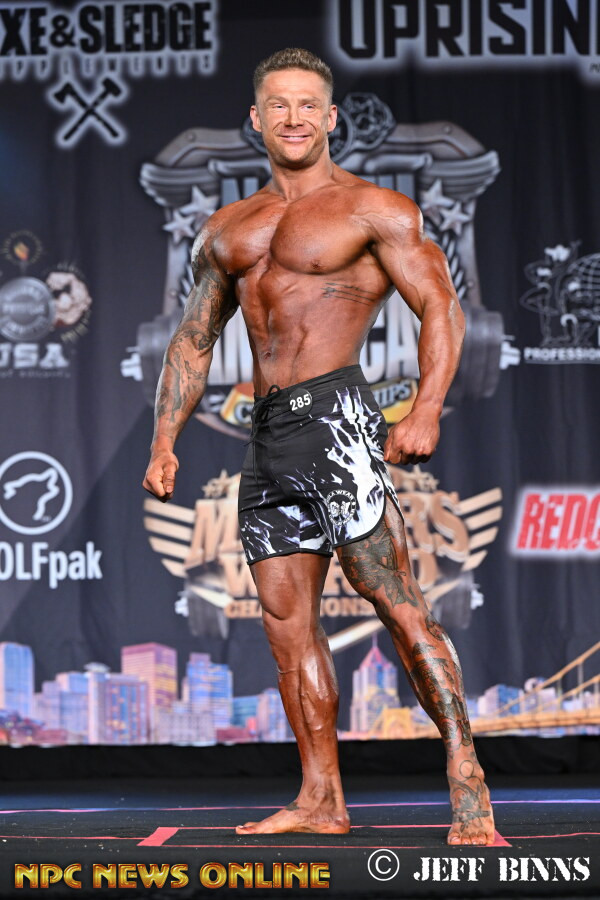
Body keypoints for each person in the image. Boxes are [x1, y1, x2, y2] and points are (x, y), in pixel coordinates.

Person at [143, 47, 495, 845]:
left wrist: (427, 408)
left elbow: (441, 306)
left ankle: (467, 778)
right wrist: (164, 440)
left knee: (396, 604)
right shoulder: (228, 228)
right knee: (286, 626)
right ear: (256, 119)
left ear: (331, 117)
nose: (294, 118)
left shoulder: (374, 209)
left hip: (338, 424)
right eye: (279, 105)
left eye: (308, 104)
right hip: (268, 439)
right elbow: (194, 339)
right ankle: (321, 798)